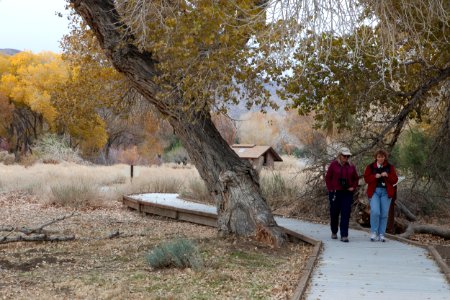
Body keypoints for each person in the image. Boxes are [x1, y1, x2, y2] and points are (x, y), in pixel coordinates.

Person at [325, 147, 359, 242]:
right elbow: (328, 178)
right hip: (335, 193)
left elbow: (356, 178)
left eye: (348, 156)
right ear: (340, 155)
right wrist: (331, 189)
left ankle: (344, 235)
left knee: (345, 214)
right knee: (334, 213)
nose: (346, 157)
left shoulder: (351, 166)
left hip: (347, 193)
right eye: (344, 156)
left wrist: (353, 187)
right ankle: (334, 231)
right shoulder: (333, 165)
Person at [364, 149, 398, 242]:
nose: (380, 158)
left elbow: (395, 180)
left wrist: (387, 175)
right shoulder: (370, 167)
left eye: (382, 157)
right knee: (375, 211)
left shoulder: (390, 167)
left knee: (384, 214)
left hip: (386, 193)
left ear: (385, 157)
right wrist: (374, 176)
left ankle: (381, 234)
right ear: (376, 157)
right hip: (374, 192)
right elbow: (366, 179)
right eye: (379, 157)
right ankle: (374, 232)